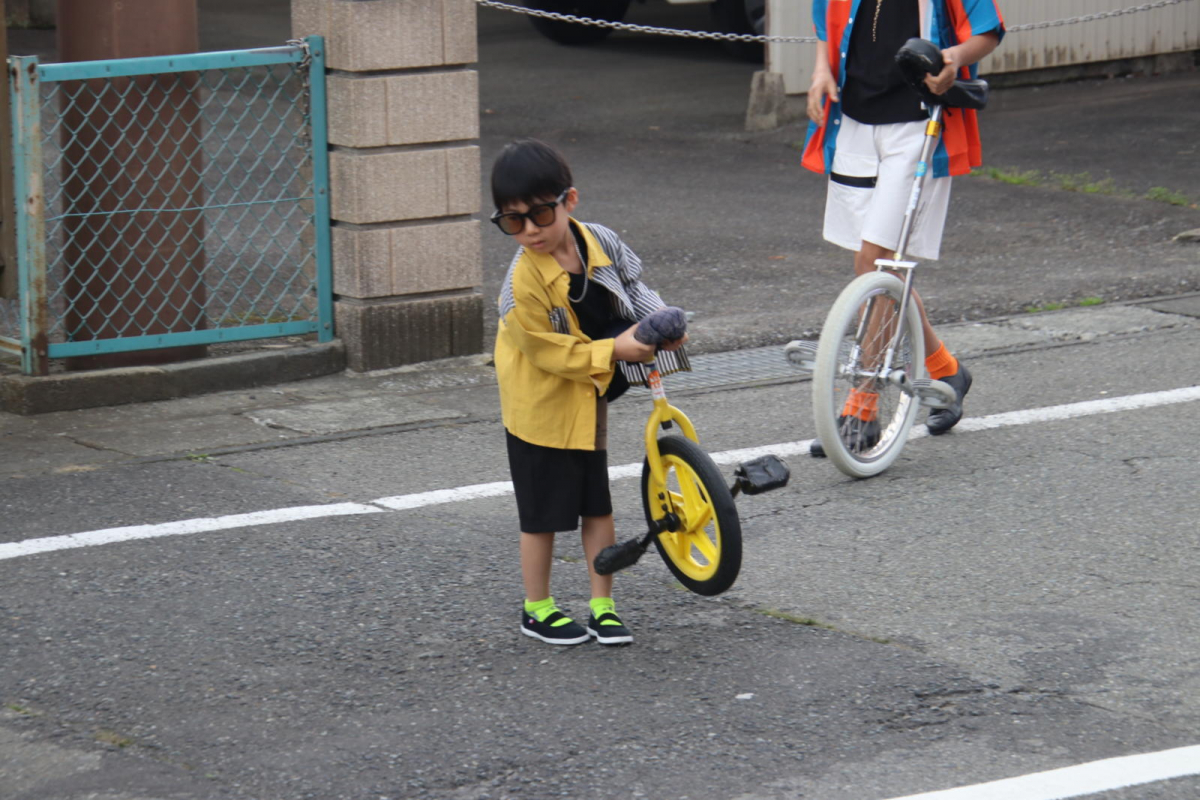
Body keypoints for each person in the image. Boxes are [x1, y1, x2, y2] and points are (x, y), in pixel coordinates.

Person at [490, 138, 688, 646]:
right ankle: (537, 609)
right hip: (541, 401)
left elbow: (635, 285)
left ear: (568, 201)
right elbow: (550, 356)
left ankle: (603, 605)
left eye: (539, 214)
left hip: (589, 390)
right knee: (542, 515)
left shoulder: (599, 239)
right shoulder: (521, 288)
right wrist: (618, 351)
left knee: (596, 505)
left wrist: (659, 322)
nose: (530, 231)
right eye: (513, 222)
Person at [802, 0, 1004, 454]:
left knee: (876, 264)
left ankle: (862, 407)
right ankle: (946, 368)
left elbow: (987, 31)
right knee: (876, 274)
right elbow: (823, 17)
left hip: (917, 125)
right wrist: (821, 70)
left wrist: (953, 58)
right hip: (853, 120)